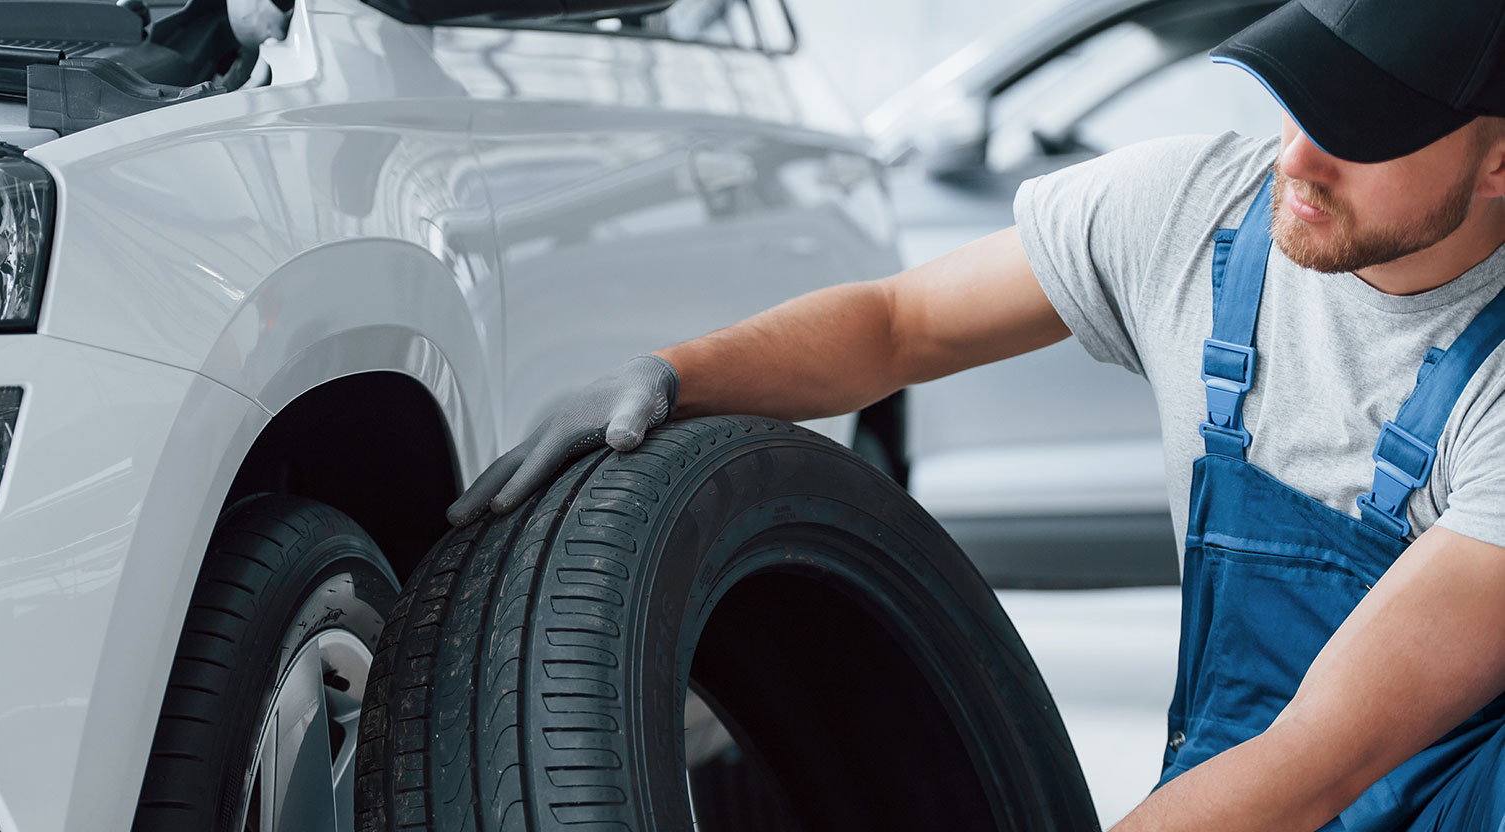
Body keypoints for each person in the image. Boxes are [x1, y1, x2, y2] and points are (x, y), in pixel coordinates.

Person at [445, 1, 1505, 830]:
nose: (1296, 159)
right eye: (1296, 102)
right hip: (1239, 776)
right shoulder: (1190, 214)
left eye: (1361, 133)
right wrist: (675, 370)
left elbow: (1319, 756)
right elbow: (898, 322)